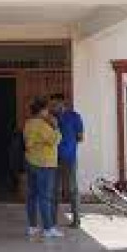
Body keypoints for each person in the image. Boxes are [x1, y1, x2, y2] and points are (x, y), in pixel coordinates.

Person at [23, 97, 63, 240]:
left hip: (31, 162)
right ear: (41, 110)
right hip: (45, 164)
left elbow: (28, 142)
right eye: (46, 109)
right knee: (45, 197)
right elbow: (55, 140)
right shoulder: (42, 125)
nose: (48, 112)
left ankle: (32, 227)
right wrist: (56, 127)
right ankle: (48, 228)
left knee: (32, 196)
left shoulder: (28, 123)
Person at [50, 94, 84, 229]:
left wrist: (68, 144)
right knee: (54, 189)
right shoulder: (51, 118)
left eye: (54, 104)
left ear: (61, 103)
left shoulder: (75, 117)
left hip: (69, 158)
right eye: (51, 105)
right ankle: (52, 221)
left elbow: (80, 137)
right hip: (52, 159)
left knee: (72, 189)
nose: (52, 107)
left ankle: (76, 220)